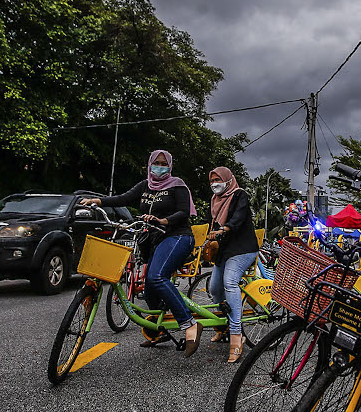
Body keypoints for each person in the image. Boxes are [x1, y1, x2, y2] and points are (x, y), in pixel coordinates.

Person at [81, 150, 202, 356]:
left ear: (170, 166)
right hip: (156, 239)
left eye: (164, 163)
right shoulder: (145, 185)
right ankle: (158, 330)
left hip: (178, 236)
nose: (160, 166)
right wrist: (98, 202)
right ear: (150, 164)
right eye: (157, 163)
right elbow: (123, 198)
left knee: (157, 277)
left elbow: (183, 212)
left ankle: (189, 323)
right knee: (148, 287)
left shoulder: (177, 184)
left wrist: (164, 220)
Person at [205, 167, 258, 363]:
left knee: (230, 283)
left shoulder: (239, 195)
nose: (214, 183)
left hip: (243, 248)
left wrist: (225, 228)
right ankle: (223, 326)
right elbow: (209, 223)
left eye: (218, 179)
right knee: (215, 288)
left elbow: (239, 217)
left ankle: (237, 335)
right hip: (225, 251)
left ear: (228, 180)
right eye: (212, 180)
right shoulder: (214, 201)